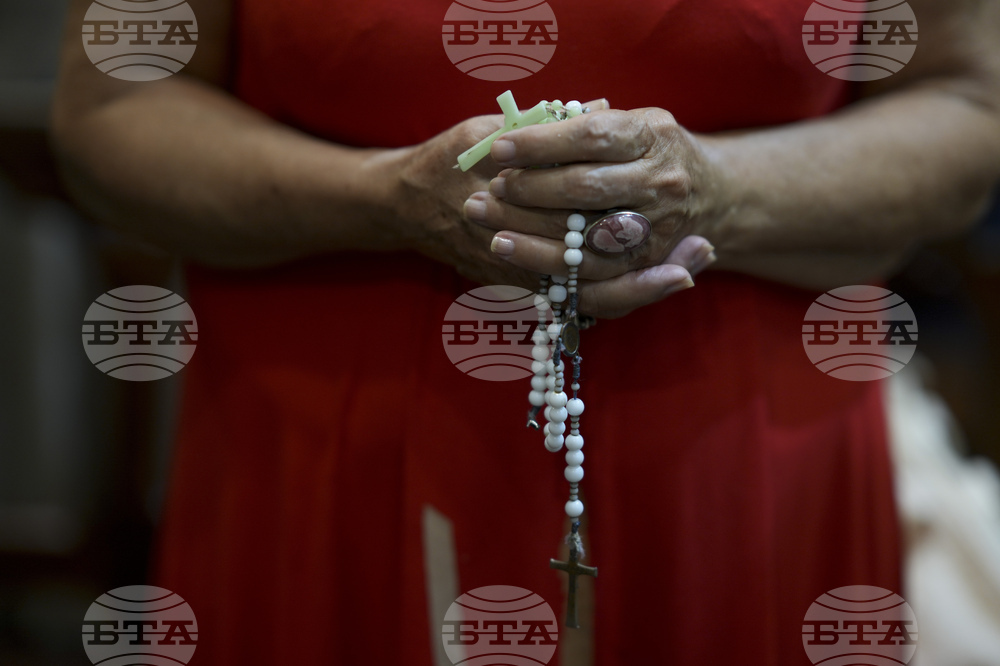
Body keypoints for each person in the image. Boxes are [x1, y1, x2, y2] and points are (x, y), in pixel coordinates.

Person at [52, 0, 1000, 663]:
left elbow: (965, 104)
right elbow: (117, 108)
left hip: (749, 460)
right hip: (326, 444)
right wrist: (381, 199)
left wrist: (722, 192)